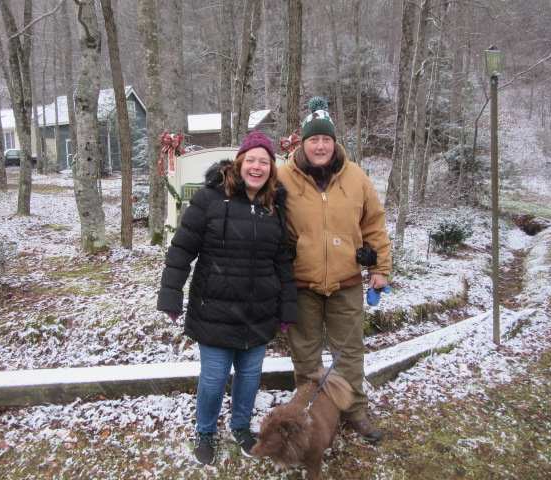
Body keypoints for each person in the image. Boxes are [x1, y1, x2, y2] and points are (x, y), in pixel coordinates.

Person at [157, 131, 298, 465]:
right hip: (214, 307)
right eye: (251, 160)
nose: (257, 167)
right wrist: (171, 295)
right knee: (214, 377)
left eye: (264, 162)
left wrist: (287, 307)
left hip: (258, 308)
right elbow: (182, 249)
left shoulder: (275, 206)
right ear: (239, 163)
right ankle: (205, 431)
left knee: (249, 377)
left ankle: (241, 427)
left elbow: (282, 261)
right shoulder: (209, 199)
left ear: (271, 169)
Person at [277, 97, 392, 444]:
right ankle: (310, 413)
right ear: (302, 143)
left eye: (326, 139)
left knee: (350, 352)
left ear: (334, 142)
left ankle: (354, 410)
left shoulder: (355, 177)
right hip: (301, 283)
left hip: (346, 281)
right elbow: (266, 221)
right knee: (306, 355)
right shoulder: (283, 177)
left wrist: (380, 267)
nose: (320, 146)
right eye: (313, 139)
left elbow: (374, 223)